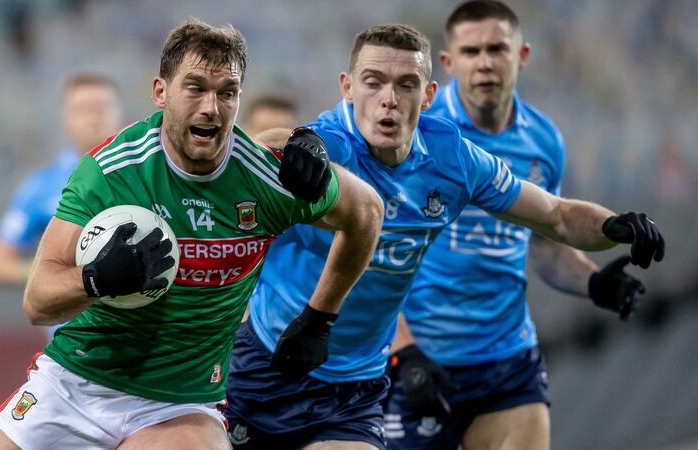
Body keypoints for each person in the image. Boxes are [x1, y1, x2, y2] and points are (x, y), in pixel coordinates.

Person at [223, 23, 664, 450]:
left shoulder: (453, 159)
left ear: (429, 94)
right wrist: (296, 139)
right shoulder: (330, 144)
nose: (389, 100)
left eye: (406, 85)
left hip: (354, 387)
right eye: (373, 82)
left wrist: (614, 226)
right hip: (269, 360)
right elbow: (270, 144)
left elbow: (556, 216)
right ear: (348, 88)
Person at [0, 19, 384, 450]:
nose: (211, 107)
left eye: (227, 92)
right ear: (160, 92)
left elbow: (367, 212)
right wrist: (95, 278)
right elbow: (37, 302)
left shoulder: (267, 178)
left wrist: (319, 318)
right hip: (75, 384)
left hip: (178, 406)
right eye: (195, 88)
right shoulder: (110, 171)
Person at [384, 3, 651, 449]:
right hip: (420, 363)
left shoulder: (543, 141)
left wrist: (593, 283)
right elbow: (371, 256)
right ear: (448, 62)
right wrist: (402, 351)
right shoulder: (413, 132)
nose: (485, 62)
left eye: (497, 49)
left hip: (508, 360)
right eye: (471, 51)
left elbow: (544, 241)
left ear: (521, 55)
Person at [0, 73, 123, 286]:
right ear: (66, 120)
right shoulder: (41, 186)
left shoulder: (148, 175)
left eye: (101, 107)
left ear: (120, 113)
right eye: (82, 109)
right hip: (74, 307)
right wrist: (53, 274)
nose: (94, 117)